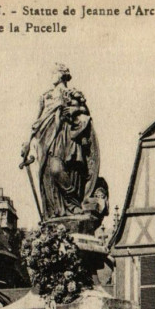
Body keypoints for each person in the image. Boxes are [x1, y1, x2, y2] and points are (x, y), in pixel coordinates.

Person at [21, 64, 105, 220]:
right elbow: (37, 121)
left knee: (57, 169)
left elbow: (85, 112)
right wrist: (28, 142)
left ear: (61, 75)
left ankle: (73, 203)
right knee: (48, 174)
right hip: (45, 138)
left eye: (54, 72)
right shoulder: (45, 96)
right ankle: (55, 212)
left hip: (64, 137)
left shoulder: (72, 93)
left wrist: (76, 110)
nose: (51, 75)